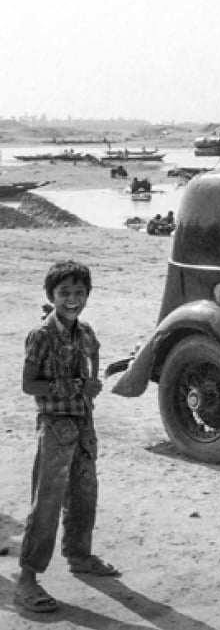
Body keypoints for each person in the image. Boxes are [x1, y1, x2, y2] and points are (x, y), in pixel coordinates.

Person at [14, 260, 119, 614]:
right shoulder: (41, 335)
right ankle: (27, 580)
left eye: (79, 292)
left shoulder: (86, 333)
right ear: (52, 296)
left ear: (87, 294)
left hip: (83, 424)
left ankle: (79, 555)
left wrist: (89, 390)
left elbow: (92, 367)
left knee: (85, 491)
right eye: (65, 293)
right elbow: (30, 384)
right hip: (56, 424)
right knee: (47, 500)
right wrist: (77, 386)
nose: (72, 299)